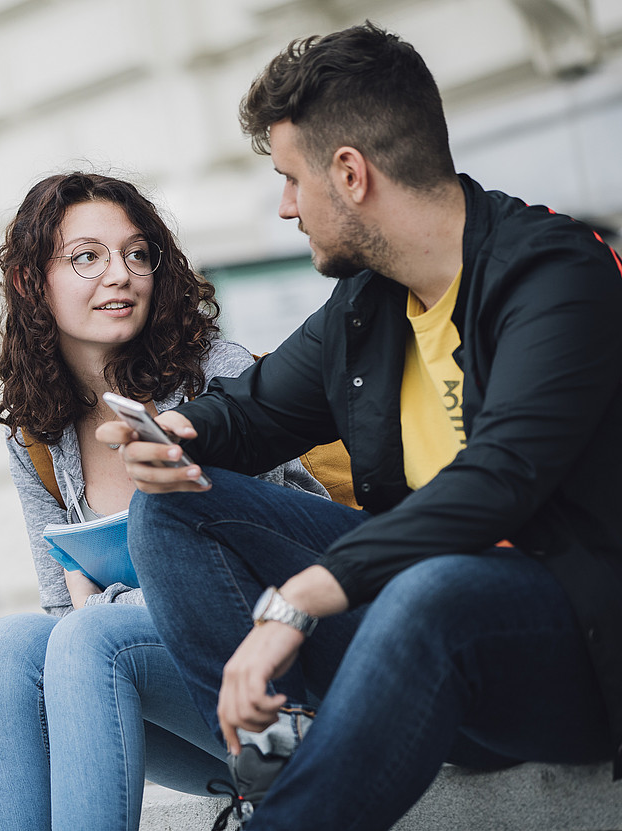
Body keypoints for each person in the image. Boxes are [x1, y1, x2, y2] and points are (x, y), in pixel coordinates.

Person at [98, 22, 622, 831]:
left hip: (573, 655)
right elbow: (257, 406)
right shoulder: (371, 305)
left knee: (434, 588)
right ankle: (270, 770)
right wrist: (173, 431)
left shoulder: (557, 277)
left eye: (290, 180)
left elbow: (500, 477)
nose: (284, 208)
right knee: (171, 508)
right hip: (417, 638)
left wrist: (303, 595)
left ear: (350, 173)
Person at [0, 172, 328, 831]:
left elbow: (267, 574)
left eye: (137, 253)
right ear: (28, 283)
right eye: (87, 257)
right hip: (184, 707)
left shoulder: (219, 378)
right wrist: (97, 606)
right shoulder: (39, 433)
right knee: (6, 647)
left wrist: (101, 603)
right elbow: (57, 605)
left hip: (290, 689)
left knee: (90, 634)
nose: (120, 275)